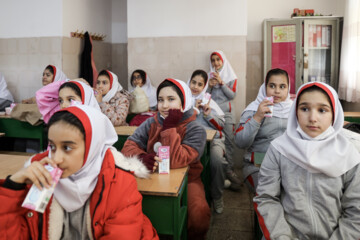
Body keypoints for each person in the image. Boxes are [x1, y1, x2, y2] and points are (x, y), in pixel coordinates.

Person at [0, 105, 159, 239]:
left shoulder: (119, 182)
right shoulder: (40, 174)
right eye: (52, 147)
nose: (56, 159)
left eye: (67, 148)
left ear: (92, 147)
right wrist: (13, 186)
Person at [254, 82, 360, 239]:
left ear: (334, 114)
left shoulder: (350, 154)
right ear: (295, 112)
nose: (312, 118)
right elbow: (266, 198)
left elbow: (355, 211)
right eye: (304, 109)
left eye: (322, 110)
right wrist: (282, 236)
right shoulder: (278, 149)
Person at [121, 78, 211, 239]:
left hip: (188, 180)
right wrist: (142, 158)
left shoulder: (195, 129)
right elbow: (128, 147)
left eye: (171, 99)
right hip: (151, 177)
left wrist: (169, 127)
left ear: (184, 102)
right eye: (161, 100)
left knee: (199, 213)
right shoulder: (151, 122)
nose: (164, 105)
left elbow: (177, 160)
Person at [234, 68, 292, 192]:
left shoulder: (294, 110)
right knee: (268, 193)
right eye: (272, 86)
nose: (277, 91)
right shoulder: (253, 109)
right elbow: (240, 142)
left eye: (282, 87)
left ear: (288, 89)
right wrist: (257, 117)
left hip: (286, 166)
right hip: (258, 165)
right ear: (265, 87)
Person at [188, 70, 227, 214]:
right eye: (193, 82)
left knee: (216, 160)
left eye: (200, 84)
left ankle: (217, 196)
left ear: (204, 86)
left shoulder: (209, 101)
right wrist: (193, 110)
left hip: (213, 140)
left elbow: (221, 125)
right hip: (191, 140)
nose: (195, 87)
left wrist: (208, 114)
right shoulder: (183, 101)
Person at [207, 50, 241, 188]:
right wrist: (209, 86)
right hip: (213, 113)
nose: (215, 63)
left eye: (218, 60)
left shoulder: (231, 76)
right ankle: (218, 172)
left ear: (223, 61)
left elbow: (232, 95)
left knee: (229, 142)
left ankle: (229, 171)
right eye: (213, 60)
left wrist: (221, 82)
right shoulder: (209, 76)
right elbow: (206, 96)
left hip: (227, 113)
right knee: (215, 142)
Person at [36, 80, 100, 123]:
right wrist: (66, 81)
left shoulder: (94, 125)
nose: (63, 105)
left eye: (70, 100)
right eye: (60, 101)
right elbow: (41, 95)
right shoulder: (61, 121)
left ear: (85, 100)